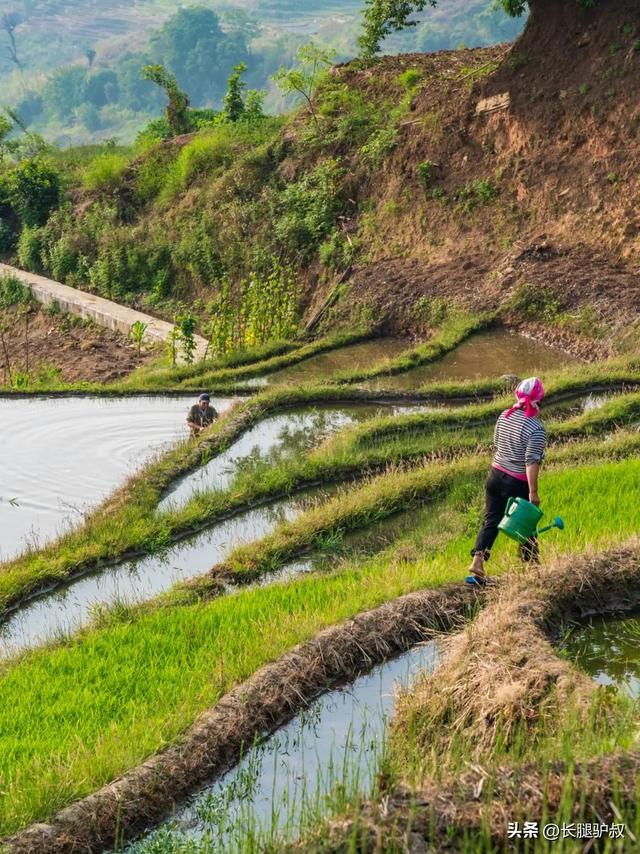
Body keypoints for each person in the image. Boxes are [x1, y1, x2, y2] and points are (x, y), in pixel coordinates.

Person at [468, 376, 547, 584]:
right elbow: (531, 462)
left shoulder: (504, 416)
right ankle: (532, 570)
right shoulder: (536, 429)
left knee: (491, 520)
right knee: (526, 525)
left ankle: (477, 563)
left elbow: (497, 443)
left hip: (495, 477)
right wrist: (533, 492)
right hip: (517, 482)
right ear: (538, 401)